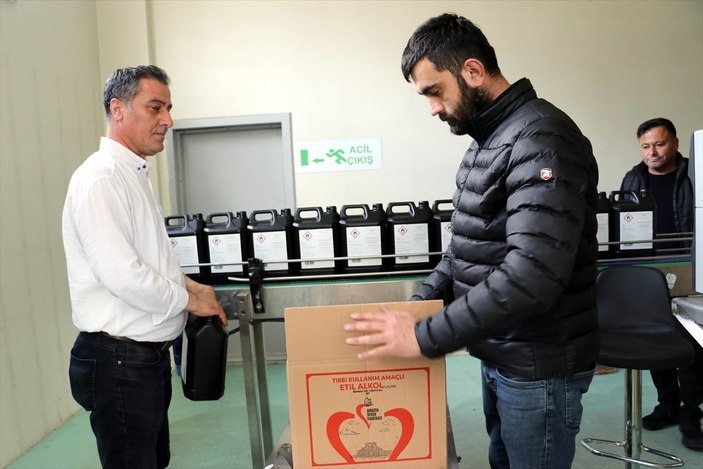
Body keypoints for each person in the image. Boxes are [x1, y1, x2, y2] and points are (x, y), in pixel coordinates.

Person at [344, 13, 599, 468]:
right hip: (500, 351)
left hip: (536, 366)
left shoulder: (543, 138)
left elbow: (531, 277)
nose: (433, 108)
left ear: (473, 71)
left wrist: (423, 336)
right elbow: (463, 251)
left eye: (435, 91)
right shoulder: (488, 142)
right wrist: (419, 303)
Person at [62, 65, 227, 468]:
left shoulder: (132, 175)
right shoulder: (101, 179)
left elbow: (146, 262)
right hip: (118, 360)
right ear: (118, 109)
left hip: (140, 361)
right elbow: (122, 275)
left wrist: (192, 286)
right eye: (155, 108)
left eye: (168, 108)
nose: (167, 120)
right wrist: (190, 301)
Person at [620, 117, 703, 451]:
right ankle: (667, 404)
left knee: (693, 346)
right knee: (655, 340)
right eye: (646, 146)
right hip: (649, 274)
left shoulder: (694, 175)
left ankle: (691, 412)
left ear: (676, 144)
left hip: (689, 268)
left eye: (659, 144)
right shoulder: (633, 178)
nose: (652, 152)